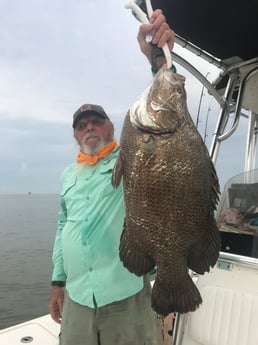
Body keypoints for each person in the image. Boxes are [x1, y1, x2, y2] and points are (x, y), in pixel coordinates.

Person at [48, 9, 175, 345]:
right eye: (81, 124)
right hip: (77, 297)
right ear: (76, 136)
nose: (89, 126)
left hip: (125, 294)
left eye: (96, 120)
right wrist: (57, 283)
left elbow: (163, 121)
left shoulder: (133, 155)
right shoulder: (68, 175)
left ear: (110, 126)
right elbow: (64, 226)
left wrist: (157, 58)